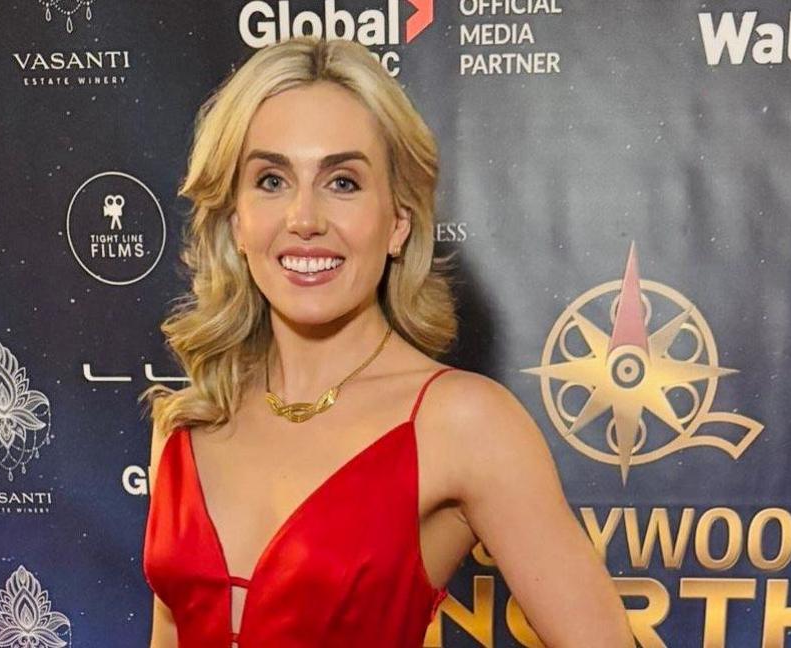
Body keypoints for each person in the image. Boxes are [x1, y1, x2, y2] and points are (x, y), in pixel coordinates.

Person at [141, 36, 634, 647]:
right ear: (236, 218)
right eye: (271, 180)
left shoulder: (462, 422)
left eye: (342, 182)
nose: (303, 219)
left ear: (398, 220)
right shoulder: (190, 420)